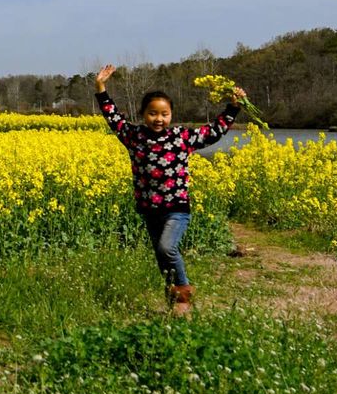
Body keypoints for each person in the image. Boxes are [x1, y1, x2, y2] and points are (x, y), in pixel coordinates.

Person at [93, 64, 245, 315]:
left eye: (164, 114)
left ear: (171, 114)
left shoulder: (181, 137)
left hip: (176, 209)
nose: (159, 119)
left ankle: (183, 294)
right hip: (150, 209)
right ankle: (173, 299)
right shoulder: (134, 136)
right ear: (143, 114)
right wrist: (101, 88)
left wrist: (233, 106)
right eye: (153, 113)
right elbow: (113, 118)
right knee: (161, 257)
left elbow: (214, 132)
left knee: (167, 248)